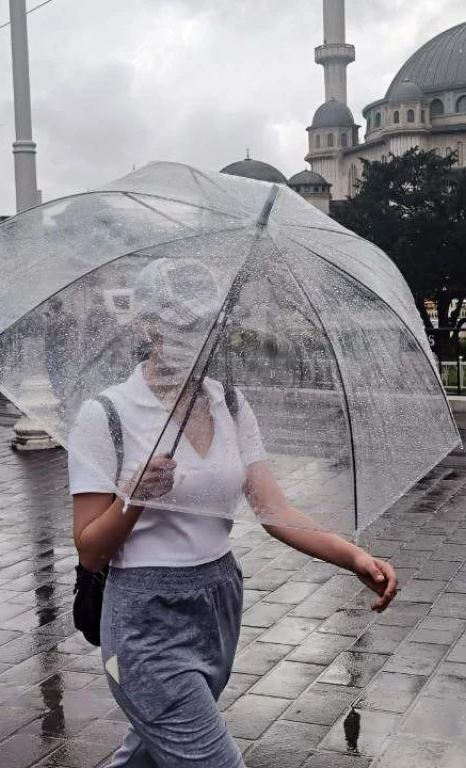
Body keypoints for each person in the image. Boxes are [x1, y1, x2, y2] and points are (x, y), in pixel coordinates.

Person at [69, 259, 398, 767]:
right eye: (173, 323)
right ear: (144, 325)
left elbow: (274, 509)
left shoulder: (231, 404)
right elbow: (90, 550)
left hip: (218, 601)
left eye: (201, 323)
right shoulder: (106, 414)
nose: (188, 336)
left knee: (151, 756)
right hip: (143, 617)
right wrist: (133, 497)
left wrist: (353, 557)